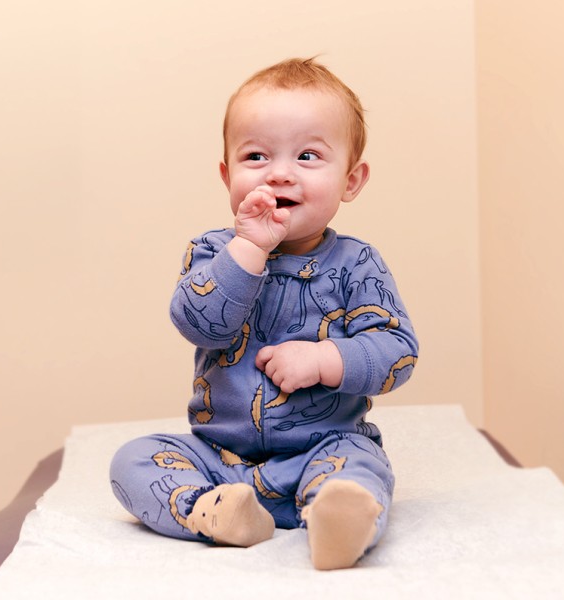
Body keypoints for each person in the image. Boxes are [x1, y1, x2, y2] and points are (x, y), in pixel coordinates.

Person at [109, 57, 418, 570]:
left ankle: (336, 519)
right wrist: (249, 249)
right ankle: (216, 514)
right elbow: (198, 322)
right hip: (218, 458)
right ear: (228, 174)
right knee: (132, 460)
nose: (279, 172)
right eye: (256, 155)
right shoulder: (213, 250)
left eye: (308, 155)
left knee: (360, 469)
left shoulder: (357, 264)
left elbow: (397, 354)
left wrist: (325, 359)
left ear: (351, 179)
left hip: (324, 448)